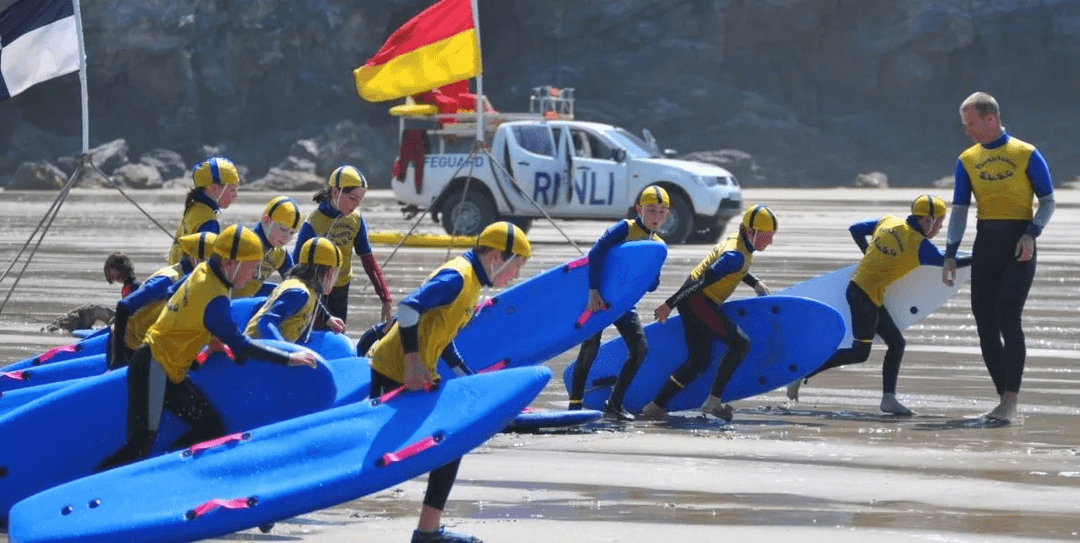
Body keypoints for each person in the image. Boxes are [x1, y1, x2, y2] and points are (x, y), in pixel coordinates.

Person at [98, 225, 317, 471]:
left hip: (169, 370)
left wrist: (208, 337)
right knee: (139, 446)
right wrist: (288, 358)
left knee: (211, 426)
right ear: (230, 263)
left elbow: (175, 296)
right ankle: (91, 486)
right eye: (253, 267)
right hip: (153, 369)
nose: (255, 275)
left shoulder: (203, 271)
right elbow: (242, 347)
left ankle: (171, 468)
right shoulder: (216, 299)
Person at [367, 221, 531, 543]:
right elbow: (409, 309)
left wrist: (468, 377)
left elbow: (443, 335)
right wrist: (413, 362)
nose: (516, 276)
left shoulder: (472, 280)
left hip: (419, 374)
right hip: (396, 370)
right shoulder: (458, 276)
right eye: (517, 267)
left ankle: (428, 530)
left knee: (450, 443)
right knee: (408, 449)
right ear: (498, 257)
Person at [787, 195, 964, 415]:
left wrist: (869, 253)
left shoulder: (889, 221)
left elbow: (855, 229)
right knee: (859, 353)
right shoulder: (919, 245)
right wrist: (984, 258)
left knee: (897, 344)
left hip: (865, 292)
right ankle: (803, 372)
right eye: (939, 222)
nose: (939, 228)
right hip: (864, 297)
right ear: (927, 220)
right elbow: (945, 261)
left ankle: (888, 399)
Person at [941, 92, 1056, 422]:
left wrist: (1031, 233)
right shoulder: (966, 159)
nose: (968, 131)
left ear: (990, 118)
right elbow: (960, 210)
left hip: (1018, 245)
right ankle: (1003, 397)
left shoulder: (1026, 153)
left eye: (971, 124)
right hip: (986, 244)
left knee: (1008, 316)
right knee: (983, 320)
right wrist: (950, 253)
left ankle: (1010, 401)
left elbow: (1048, 201)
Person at [639, 204, 777, 422]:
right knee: (741, 343)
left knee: (698, 362)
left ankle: (655, 406)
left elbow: (736, 267)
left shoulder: (740, 243)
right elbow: (704, 280)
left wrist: (754, 282)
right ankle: (713, 402)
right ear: (752, 232)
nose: (770, 241)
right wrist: (670, 303)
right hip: (697, 300)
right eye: (767, 236)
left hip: (695, 300)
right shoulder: (734, 255)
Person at [566, 185, 670, 421]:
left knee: (640, 349)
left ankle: (614, 403)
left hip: (624, 303)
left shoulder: (658, 245)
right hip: (599, 297)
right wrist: (593, 290)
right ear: (639, 209)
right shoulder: (625, 228)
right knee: (590, 348)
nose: (656, 217)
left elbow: (652, 284)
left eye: (661, 212)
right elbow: (595, 254)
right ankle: (574, 405)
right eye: (651, 210)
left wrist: (649, 275)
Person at [293, 165, 392, 326]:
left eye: (359, 201)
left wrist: (385, 299)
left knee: (338, 334)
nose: (355, 206)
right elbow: (295, 267)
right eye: (352, 199)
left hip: (341, 290)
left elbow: (369, 261)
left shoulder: (355, 220)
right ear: (335, 192)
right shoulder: (312, 224)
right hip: (316, 292)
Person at [109, 232, 216, 369]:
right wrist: (118, 359)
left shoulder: (198, 282)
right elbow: (123, 307)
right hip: (128, 348)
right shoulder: (168, 280)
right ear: (195, 258)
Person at [246, 237, 345, 343]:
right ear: (328, 272)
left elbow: (313, 301)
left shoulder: (304, 288)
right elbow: (265, 321)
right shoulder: (299, 293)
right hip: (254, 352)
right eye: (336, 273)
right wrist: (286, 352)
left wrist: (327, 318)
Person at [167, 156, 240, 265]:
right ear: (214, 189)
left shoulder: (194, 207)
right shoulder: (209, 222)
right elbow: (206, 264)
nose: (235, 195)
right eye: (232, 190)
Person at [232, 195, 301, 298]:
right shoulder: (241, 242)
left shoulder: (280, 253)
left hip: (248, 301)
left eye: (292, 233)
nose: (286, 237)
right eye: (283, 230)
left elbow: (295, 285)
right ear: (265, 220)